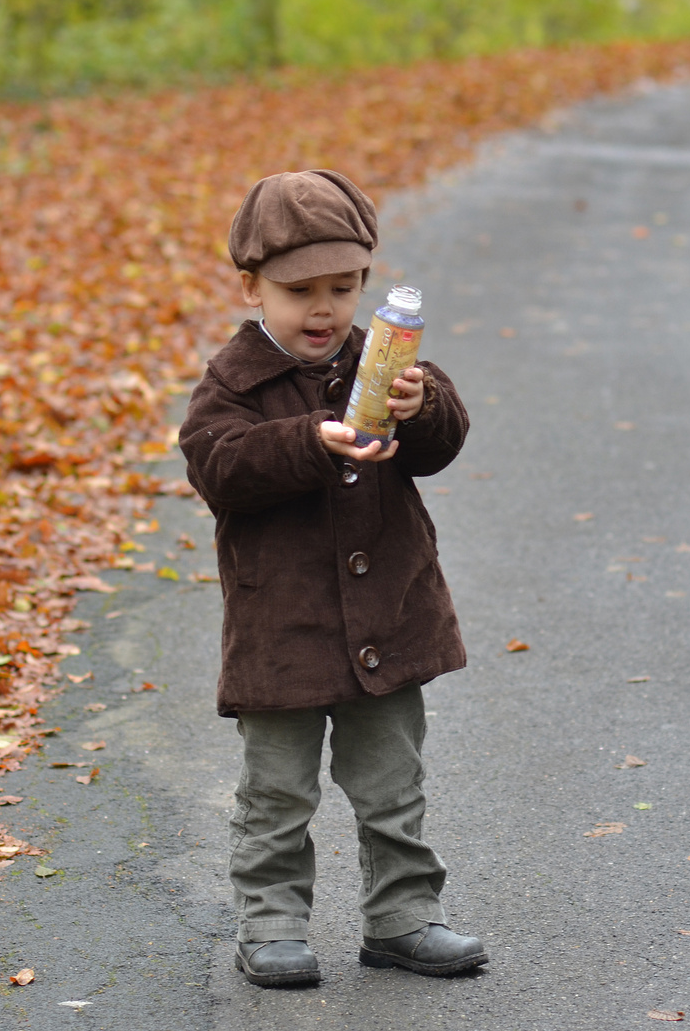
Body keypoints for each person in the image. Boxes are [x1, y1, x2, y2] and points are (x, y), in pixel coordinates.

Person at [178, 169, 486, 987]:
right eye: (299, 291)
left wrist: (425, 408)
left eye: (343, 288)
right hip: (283, 627)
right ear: (251, 286)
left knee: (393, 786)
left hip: (390, 613)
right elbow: (218, 466)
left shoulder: (382, 362)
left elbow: (438, 448)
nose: (324, 309)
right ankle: (272, 924)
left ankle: (404, 916)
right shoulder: (234, 383)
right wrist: (308, 442)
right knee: (278, 792)